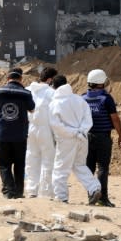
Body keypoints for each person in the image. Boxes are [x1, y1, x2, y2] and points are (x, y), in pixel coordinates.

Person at [49, 74, 102, 205]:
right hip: (82, 138)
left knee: (60, 168)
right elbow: (88, 119)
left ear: (54, 87)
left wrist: (72, 132)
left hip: (66, 140)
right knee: (79, 165)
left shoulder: (55, 103)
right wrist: (81, 131)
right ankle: (94, 187)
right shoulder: (79, 100)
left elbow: (56, 125)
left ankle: (61, 197)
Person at [82, 69, 121, 207]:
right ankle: (102, 198)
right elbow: (115, 119)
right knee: (102, 168)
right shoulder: (106, 98)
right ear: (101, 82)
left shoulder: (83, 98)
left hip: (86, 137)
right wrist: (120, 134)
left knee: (89, 167)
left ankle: (91, 196)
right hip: (103, 137)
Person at [0, 68, 35, 199]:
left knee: (4, 163)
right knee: (19, 164)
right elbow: (32, 109)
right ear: (21, 79)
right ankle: (19, 192)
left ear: (7, 78)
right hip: (20, 135)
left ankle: (9, 191)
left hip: (2, 134)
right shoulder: (26, 93)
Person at [24, 67, 57, 198]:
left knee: (32, 159)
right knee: (48, 160)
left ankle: (32, 190)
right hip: (46, 129)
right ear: (50, 79)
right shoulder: (51, 93)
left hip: (30, 128)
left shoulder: (27, 90)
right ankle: (46, 192)